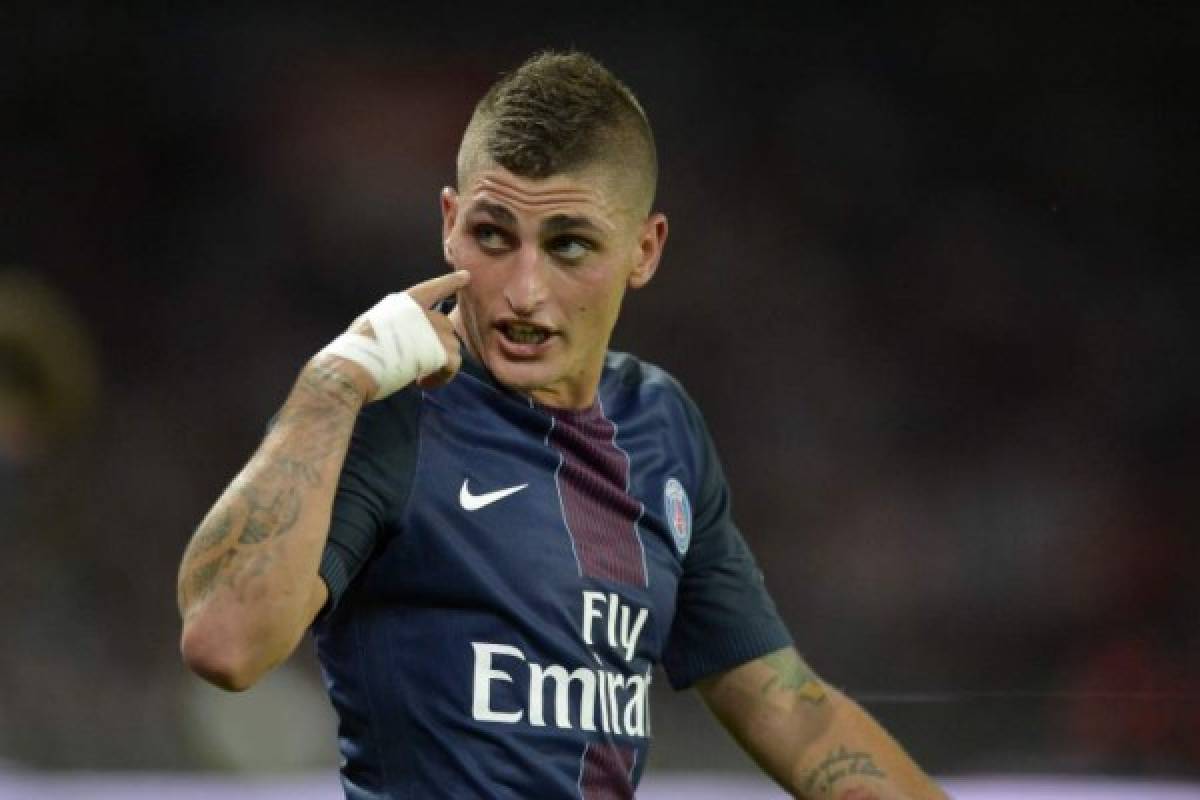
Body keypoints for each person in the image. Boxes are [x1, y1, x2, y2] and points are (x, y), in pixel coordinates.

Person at [176, 50, 946, 800]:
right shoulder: (386, 415)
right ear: (449, 223)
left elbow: (786, 706)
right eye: (492, 237)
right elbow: (223, 644)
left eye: (569, 245)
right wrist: (328, 384)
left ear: (644, 249)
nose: (523, 291)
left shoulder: (661, 427)